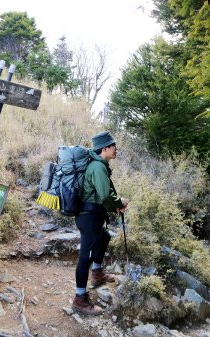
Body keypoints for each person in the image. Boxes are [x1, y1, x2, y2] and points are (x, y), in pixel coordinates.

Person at [71, 131, 128, 316]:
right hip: (88, 217)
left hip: (93, 215)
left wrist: (115, 206)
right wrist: (120, 203)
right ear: (105, 148)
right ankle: (80, 299)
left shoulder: (100, 165)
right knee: (85, 256)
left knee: (104, 237)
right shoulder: (97, 167)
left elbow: (101, 196)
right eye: (114, 146)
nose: (116, 150)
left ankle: (97, 273)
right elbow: (104, 195)